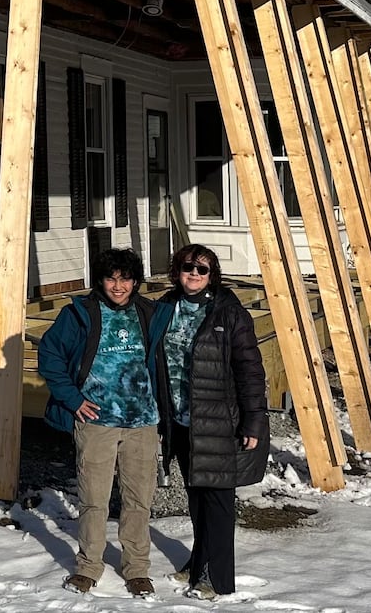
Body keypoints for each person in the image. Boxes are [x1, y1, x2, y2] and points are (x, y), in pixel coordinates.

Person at [38, 247, 173, 599]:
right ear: (101, 280)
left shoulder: (150, 313)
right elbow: (49, 355)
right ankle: (88, 567)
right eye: (111, 278)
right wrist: (73, 399)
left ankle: (137, 569)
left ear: (135, 282)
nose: (118, 286)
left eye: (125, 278)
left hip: (143, 421)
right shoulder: (79, 314)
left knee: (138, 501)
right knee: (94, 500)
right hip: (97, 421)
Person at [158, 244, 269, 600]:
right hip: (181, 420)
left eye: (201, 269)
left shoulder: (229, 313)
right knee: (196, 498)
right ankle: (198, 561)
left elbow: (250, 371)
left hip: (219, 421)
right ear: (177, 271)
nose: (193, 274)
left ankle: (216, 578)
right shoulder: (164, 307)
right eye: (187, 267)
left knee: (218, 500)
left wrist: (253, 420)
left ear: (212, 275)